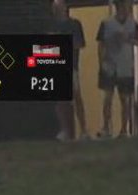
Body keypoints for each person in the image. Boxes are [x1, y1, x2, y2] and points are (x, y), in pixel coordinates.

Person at [97, 0, 138, 138]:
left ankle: (124, 129)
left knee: (125, 99)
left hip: (125, 65)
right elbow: (101, 44)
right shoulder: (106, 24)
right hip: (110, 64)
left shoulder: (133, 24)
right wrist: (102, 62)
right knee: (108, 97)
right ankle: (106, 127)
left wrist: (128, 39)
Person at [52, 0, 88, 141]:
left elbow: (79, 44)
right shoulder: (52, 25)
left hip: (71, 66)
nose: (56, 10)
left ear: (65, 8)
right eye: (54, 8)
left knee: (76, 96)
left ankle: (84, 129)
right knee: (60, 101)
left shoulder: (74, 24)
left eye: (58, 7)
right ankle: (65, 130)